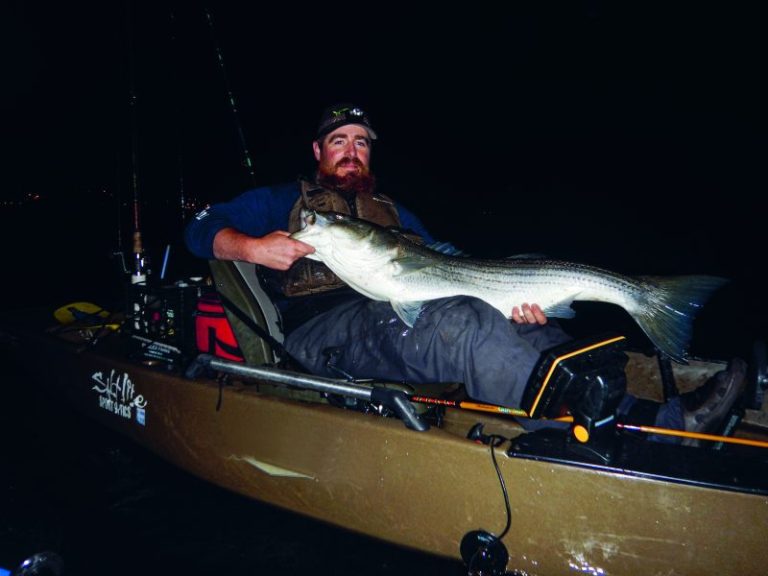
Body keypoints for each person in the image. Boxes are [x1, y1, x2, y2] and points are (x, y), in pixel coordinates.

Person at [184, 102, 746, 443]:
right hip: (324, 332)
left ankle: (649, 413)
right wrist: (253, 248)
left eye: (361, 143)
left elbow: (453, 263)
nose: (351, 152)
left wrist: (521, 306)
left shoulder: (397, 215)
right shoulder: (283, 199)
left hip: (405, 311)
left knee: (515, 320)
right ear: (318, 150)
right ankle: (591, 434)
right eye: (339, 142)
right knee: (460, 325)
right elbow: (200, 226)